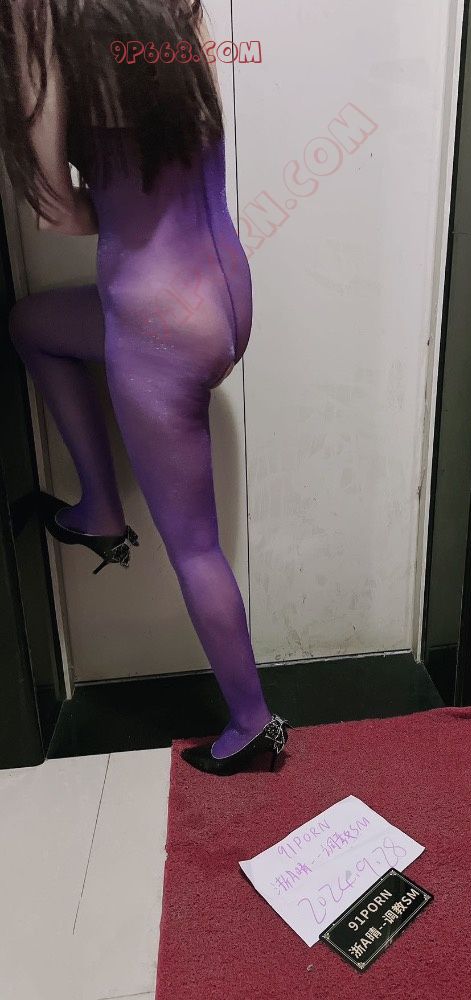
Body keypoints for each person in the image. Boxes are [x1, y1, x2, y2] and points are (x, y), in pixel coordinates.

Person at [0, 0, 290, 775]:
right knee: (34, 324)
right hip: (226, 297)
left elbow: (56, 212)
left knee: (194, 545)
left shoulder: (40, 23)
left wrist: (112, 198)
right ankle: (98, 506)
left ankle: (252, 723)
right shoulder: (171, 15)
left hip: (157, 324)